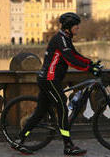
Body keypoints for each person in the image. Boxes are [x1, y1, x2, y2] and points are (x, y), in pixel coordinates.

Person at [14, 12, 99, 156]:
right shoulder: (60, 39)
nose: (78, 27)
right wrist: (90, 68)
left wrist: (91, 63)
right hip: (49, 79)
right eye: (76, 25)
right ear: (68, 27)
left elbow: (75, 55)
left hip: (48, 79)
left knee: (40, 113)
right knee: (62, 108)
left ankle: (19, 140)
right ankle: (68, 145)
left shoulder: (65, 38)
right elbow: (71, 60)